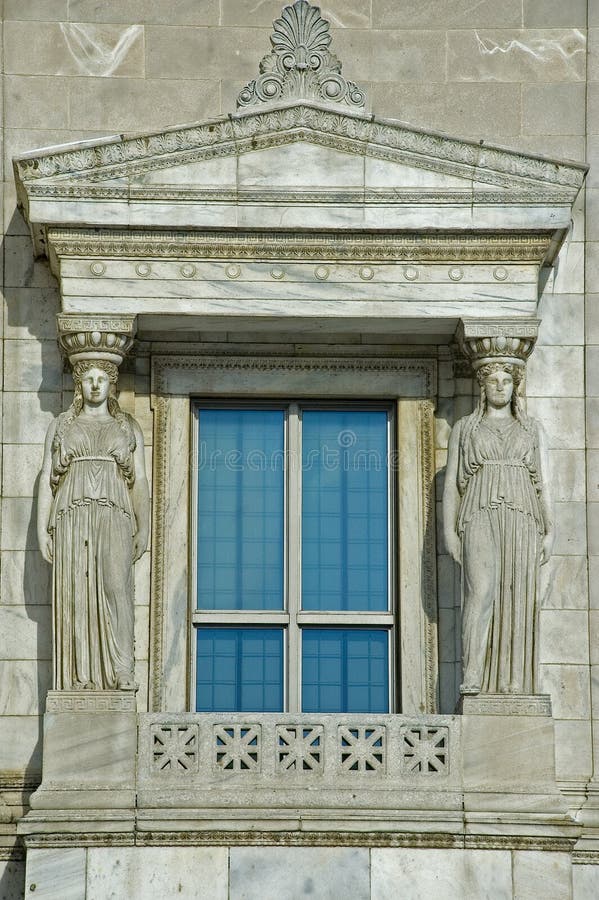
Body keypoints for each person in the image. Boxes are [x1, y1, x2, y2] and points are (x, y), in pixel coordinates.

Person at [37, 361, 150, 691]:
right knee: (76, 592)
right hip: (72, 512)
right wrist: (41, 530)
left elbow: (139, 479)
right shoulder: (62, 425)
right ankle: (80, 675)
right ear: (79, 385)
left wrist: (144, 526)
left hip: (114, 510)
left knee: (116, 586)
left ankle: (121, 668)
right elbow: (47, 477)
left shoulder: (127, 426)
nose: (96, 385)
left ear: (112, 384)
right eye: (89, 379)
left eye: (102, 379)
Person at [443, 361, 553, 695]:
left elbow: (543, 483)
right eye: (493, 381)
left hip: (522, 515)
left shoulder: (531, 429)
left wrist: (551, 530)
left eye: (507, 380)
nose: (500, 386)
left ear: (515, 386)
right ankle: (473, 671)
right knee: (482, 591)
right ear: (483, 386)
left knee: (519, 596)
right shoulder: (466, 427)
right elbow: (451, 485)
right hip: (479, 510)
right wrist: (448, 530)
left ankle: (512, 680)